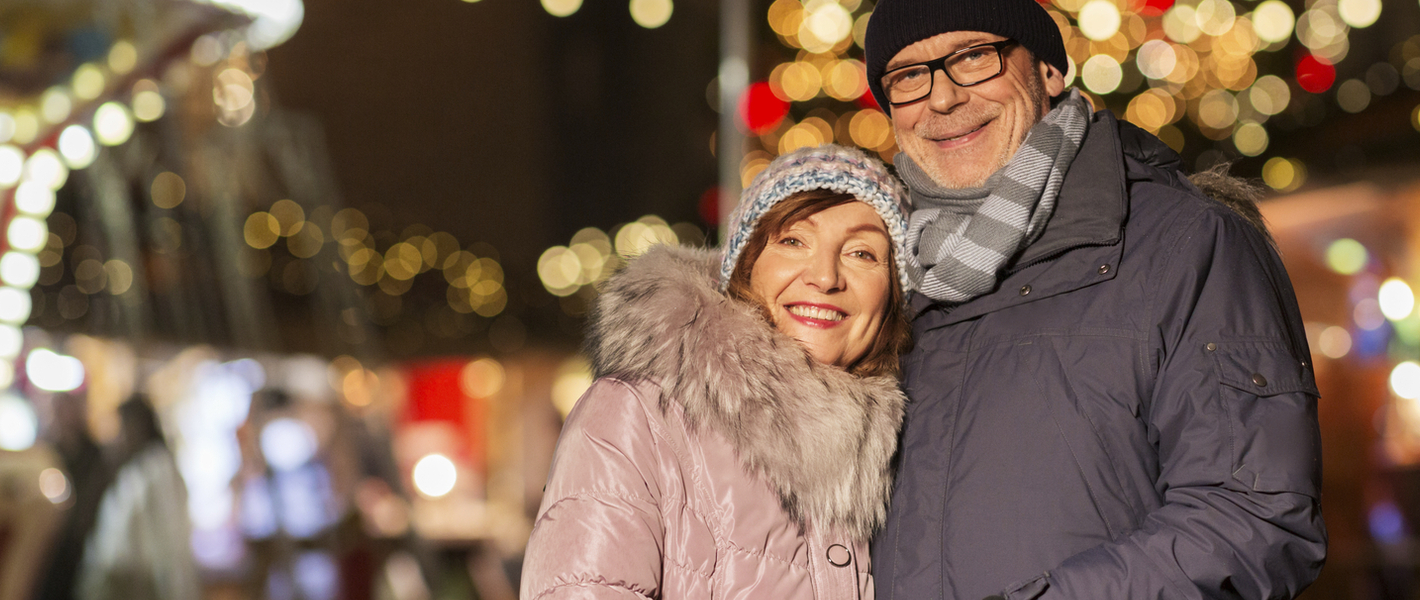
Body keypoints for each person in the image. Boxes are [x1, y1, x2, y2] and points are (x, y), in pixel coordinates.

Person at [861, 1, 1327, 598]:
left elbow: (1251, 517)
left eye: (975, 57)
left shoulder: (1185, 245)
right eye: (907, 76)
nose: (943, 98)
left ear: (1049, 72)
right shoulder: (869, 277)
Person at [519, 145, 916, 599]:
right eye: (792, 241)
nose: (826, 277)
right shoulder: (638, 418)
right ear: (745, 265)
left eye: (863, 253)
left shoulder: (906, 442)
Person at [76, 395, 203, 600]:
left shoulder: (158, 467)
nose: (119, 435)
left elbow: (169, 538)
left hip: (144, 585)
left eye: (124, 426)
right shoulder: (134, 468)